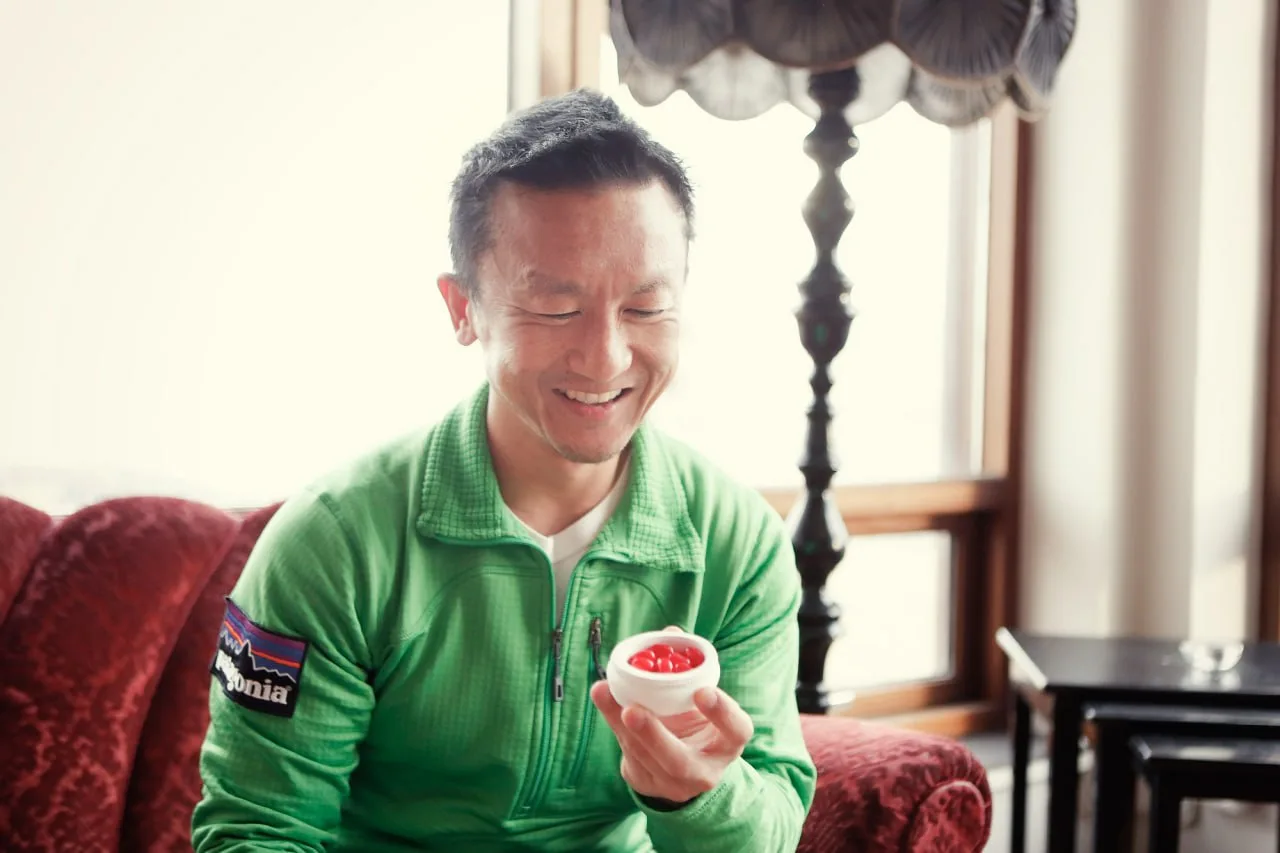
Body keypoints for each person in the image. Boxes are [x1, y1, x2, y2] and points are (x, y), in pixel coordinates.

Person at [192, 88, 816, 853]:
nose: (607, 357)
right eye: (557, 309)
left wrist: (698, 794)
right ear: (463, 310)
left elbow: (772, 825)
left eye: (647, 308)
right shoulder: (334, 542)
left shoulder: (735, 541)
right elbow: (257, 830)